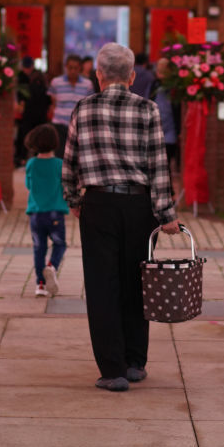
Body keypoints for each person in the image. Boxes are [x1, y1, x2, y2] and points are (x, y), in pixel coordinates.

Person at [62, 42, 180, 392]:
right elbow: (158, 165)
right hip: (138, 206)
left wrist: (73, 198)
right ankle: (134, 362)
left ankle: (111, 370)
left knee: (102, 285)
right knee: (136, 281)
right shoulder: (148, 110)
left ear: (97, 75)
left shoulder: (82, 108)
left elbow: (70, 160)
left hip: (98, 205)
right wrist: (166, 214)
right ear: (131, 76)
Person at [24, 124, 68, 297]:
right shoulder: (59, 164)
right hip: (55, 213)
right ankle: (52, 266)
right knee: (59, 244)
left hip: (35, 214)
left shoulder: (31, 164)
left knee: (39, 248)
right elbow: (65, 185)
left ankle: (40, 285)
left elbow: (28, 185)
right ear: (55, 143)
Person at [49, 55, 94, 158]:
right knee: (59, 155)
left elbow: (88, 105)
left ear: (80, 68)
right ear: (66, 67)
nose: (73, 71)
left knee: (77, 156)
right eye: (70, 68)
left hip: (78, 125)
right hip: (60, 123)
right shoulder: (56, 82)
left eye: (75, 68)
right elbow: (53, 102)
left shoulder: (87, 84)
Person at [14, 56, 50, 167]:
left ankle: (22, 159)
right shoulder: (21, 77)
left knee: (26, 136)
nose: (27, 70)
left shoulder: (32, 82)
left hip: (29, 115)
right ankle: (32, 158)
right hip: (36, 116)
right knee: (33, 137)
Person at [153, 57, 179, 174]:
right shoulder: (155, 85)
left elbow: (177, 109)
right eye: (159, 69)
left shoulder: (175, 87)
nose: (160, 72)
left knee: (166, 159)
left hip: (170, 129)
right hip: (156, 128)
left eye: (163, 69)